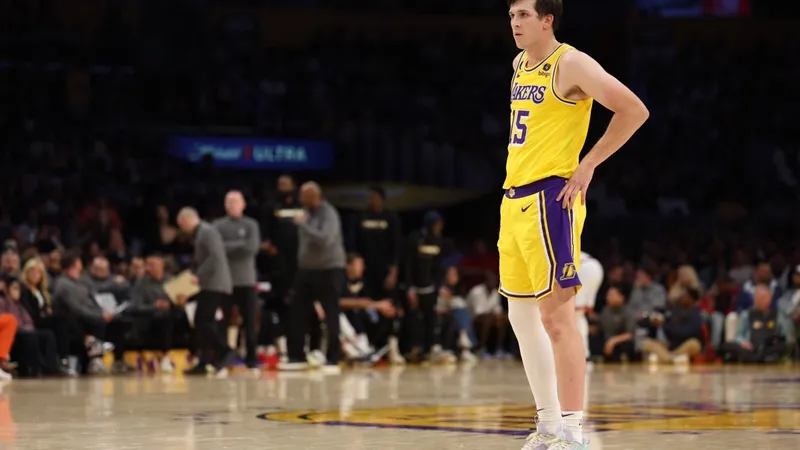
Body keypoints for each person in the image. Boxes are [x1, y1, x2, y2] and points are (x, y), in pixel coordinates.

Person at [501, 1, 649, 449]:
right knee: (520, 315)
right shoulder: (518, 64)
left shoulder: (572, 63)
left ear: (548, 19)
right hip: (513, 199)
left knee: (557, 319)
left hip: (551, 198)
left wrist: (588, 165)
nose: (515, 23)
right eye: (511, 16)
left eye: (524, 15)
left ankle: (573, 431)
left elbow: (633, 110)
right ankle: (547, 427)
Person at [280, 182, 346, 374]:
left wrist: (304, 225)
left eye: (303, 196)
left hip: (329, 269)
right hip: (306, 270)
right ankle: (296, 355)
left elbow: (326, 239)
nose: (300, 199)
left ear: (314, 196)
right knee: (298, 311)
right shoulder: (307, 212)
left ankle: (333, 358)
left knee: (331, 313)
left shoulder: (329, 214)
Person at [176, 207, 236, 377]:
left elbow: (215, 257)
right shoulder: (201, 233)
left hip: (214, 283)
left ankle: (225, 351)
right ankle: (204, 360)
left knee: (202, 319)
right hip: (208, 284)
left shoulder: (207, 232)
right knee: (202, 320)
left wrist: (198, 276)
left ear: (186, 221)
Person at [214, 190, 261, 370]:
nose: (232, 205)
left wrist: (229, 247)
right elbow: (217, 249)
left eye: (236, 202)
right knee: (223, 321)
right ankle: (223, 356)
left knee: (249, 322)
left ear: (243, 204)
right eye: (229, 202)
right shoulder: (218, 226)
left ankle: (251, 358)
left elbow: (252, 247)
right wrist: (239, 245)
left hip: (247, 280)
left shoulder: (251, 225)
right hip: (225, 281)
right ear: (225, 205)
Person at [404, 211, 445, 363]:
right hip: (415, 287)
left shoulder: (438, 241)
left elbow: (438, 266)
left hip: (430, 288)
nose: (439, 227)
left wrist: (438, 286)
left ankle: (431, 348)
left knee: (431, 318)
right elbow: (408, 265)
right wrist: (409, 288)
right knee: (414, 319)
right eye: (437, 224)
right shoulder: (415, 239)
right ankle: (412, 349)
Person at [129, 255, 182, 373]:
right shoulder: (141, 283)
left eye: (152, 265)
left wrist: (178, 303)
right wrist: (154, 306)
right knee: (164, 318)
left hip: (172, 316)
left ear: (161, 266)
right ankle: (165, 356)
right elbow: (135, 306)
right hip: (149, 319)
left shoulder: (172, 281)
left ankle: (202, 355)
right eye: (147, 265)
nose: (148, 268)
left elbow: (177, 302)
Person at [351, 186, 403, 300]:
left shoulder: (391, 218)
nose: (371, 200)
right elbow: (354, 244)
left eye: (374, 197)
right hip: (365, 270)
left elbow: (396, 246)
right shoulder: (361, 217)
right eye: (369, 198)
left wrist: (393, 273)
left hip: (384, 270)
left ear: (382, 199)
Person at [574, 252, 603, 361]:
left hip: (583, 268)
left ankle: (583, 353)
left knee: (576, 314)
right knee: (580, 314)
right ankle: (584, 352)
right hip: (596, 267)